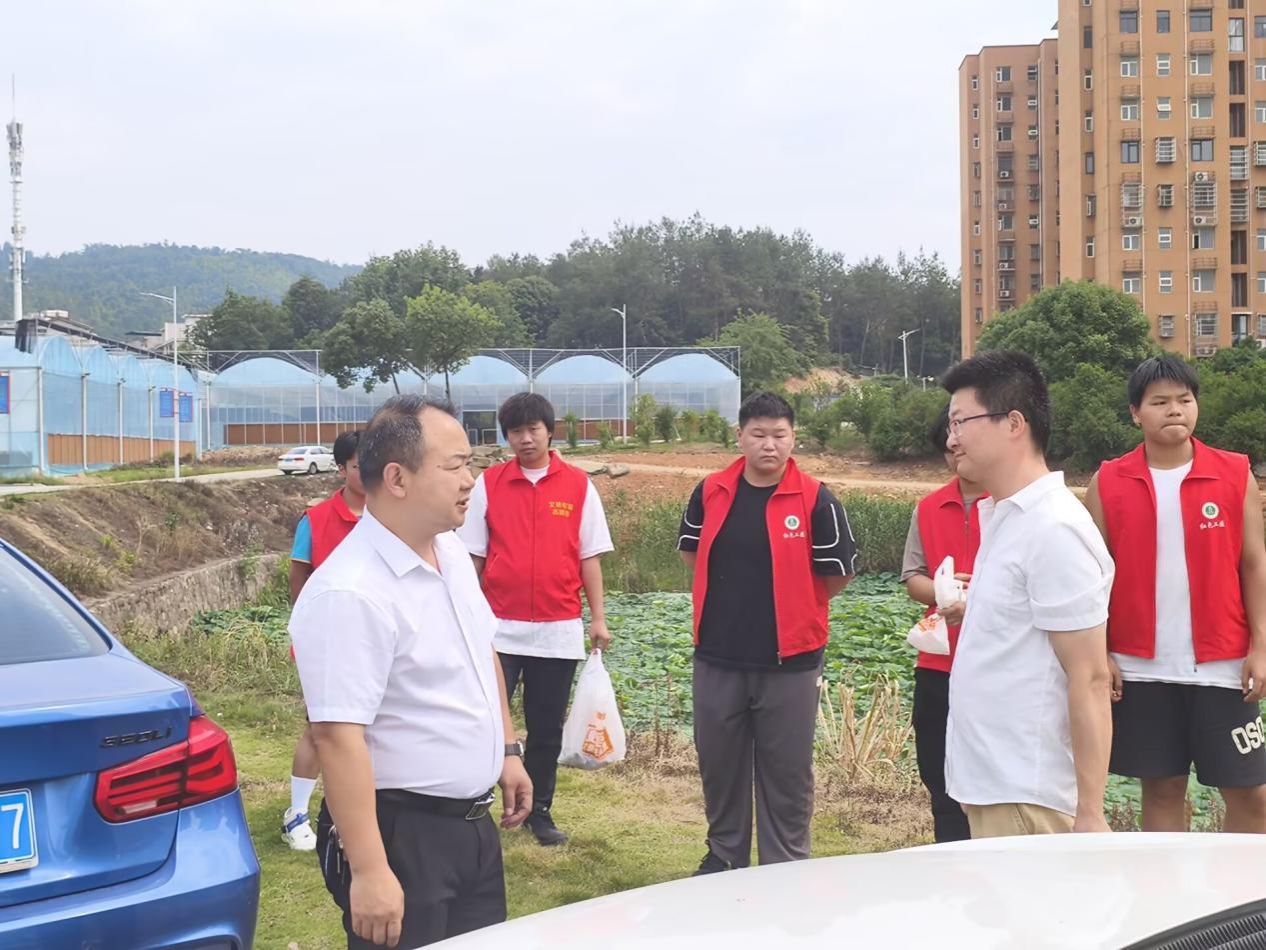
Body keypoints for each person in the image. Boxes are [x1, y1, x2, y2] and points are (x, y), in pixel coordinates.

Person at [289, 395, 532, 949]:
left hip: (471, 828)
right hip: (401, 834)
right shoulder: (350, 592)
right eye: (455, 466)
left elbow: (482, 653)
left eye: (470, 464)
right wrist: (371, 870)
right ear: (397, 478)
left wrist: (506, 751)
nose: (470, 480)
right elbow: (337, 735)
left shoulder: (450, 553)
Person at [677, 391, 857, 874]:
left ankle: (785, 865)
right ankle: (724, 855)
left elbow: (837, 575)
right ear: (740, 436)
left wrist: (795, 605)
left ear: (794, 438)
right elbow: (692, 555)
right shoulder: (710, 491)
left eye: (779, 435)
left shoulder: (816, 499)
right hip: (718, 655)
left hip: (790, 662)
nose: (769, 444)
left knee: (787, 771)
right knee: (719, 764)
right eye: (758, 434)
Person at [1085, 354, 1266, 833]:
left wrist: (1261, 646)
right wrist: (1101, 652)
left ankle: (1241, 884)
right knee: (1162, 790)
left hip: (1223, 663)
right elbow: (1092, 578)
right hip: (1141, 666)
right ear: (1135, 413)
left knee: (1252, 795)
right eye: (1159, 402)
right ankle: (1167, 883)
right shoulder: (1109, 481)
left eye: (1184, 400)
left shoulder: (1234, 473)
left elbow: (1254, 563)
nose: (1174, 410)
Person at [942, 350, 1114, 838]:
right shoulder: (1006, 517)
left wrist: (1090, 812)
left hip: (1026, 794)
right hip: (992, 784)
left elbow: (1091, 677)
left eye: (961, 422)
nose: (951, 439)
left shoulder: (1054, 528)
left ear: (1014, 423)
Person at [456, 392, 614, 846]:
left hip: (557, 629)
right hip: (498, 629)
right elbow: (473, 556)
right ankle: (475, 803)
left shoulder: (578, 486)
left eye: (533, 429)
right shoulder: (490, 484)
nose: (525, 439)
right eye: (515, 431)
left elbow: (589, 557)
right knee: (486, 720)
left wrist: (598, 618)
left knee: (546, 730)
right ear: (506, 436)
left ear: (549, 431)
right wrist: (464, 613)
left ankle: (538, 811)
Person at [900, 406, 984, 843]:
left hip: (993, 663)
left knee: (990, 779)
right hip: (938, 663)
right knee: (939, 774)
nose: (956, 455)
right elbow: (912, 577)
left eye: (962, 445)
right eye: (948, 450)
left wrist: (981, 597)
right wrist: (941, 591)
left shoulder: (1010, 504)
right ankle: (950, 856)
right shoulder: (930, 508)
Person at [283, 429, 365, 851]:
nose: (368, 474)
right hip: (326, 643)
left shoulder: (390, 517)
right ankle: (296, 814)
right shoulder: (315, 520)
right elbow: (299, 582)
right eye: (358, 466)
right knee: (321, 728)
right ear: (341, 469)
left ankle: (355, 810)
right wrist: (311, 633)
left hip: (374, 643)